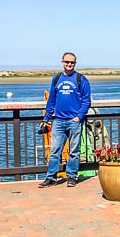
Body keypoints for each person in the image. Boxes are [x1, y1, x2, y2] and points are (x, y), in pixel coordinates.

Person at [39, 52, 92, 188]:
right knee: (55, 150)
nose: (69, 64)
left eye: (72, 62)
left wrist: (78, 117)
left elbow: (86, 101)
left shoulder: (81, 79)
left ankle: (72, 176)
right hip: (58, 121)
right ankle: (51, 177)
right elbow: (51, 100)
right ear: (62, 62)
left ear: (75, 63)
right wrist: (46, 118)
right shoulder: (56, 79)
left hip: (74, 122)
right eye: (67, 62)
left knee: (74, 151)